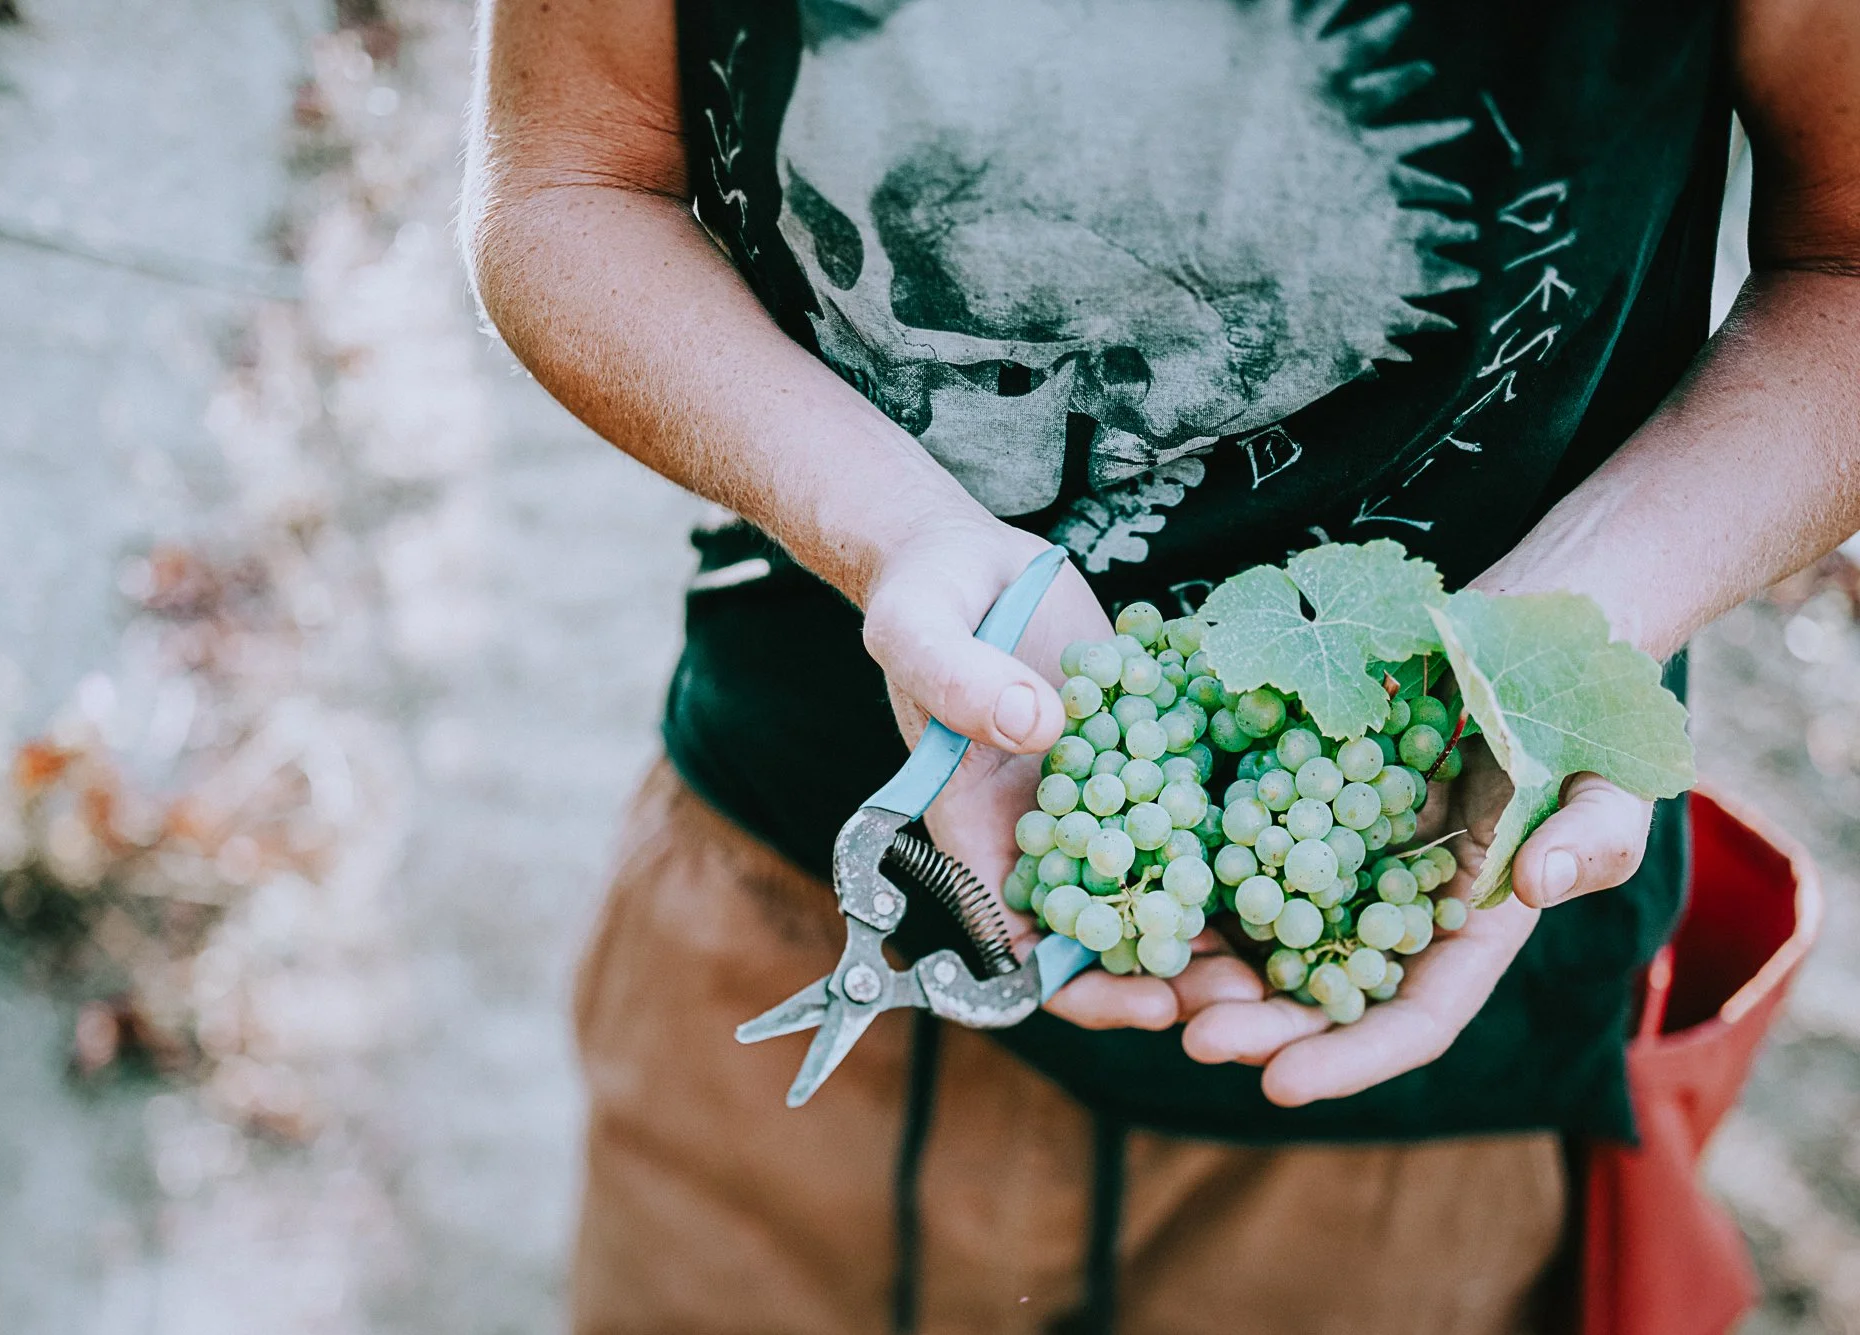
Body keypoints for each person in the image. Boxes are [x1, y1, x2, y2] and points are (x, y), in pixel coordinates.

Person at [465, 0, 1860, 1329]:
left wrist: (1566, 641)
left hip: (1422, 1056)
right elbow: (574, 180)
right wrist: (889, 530)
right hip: (791, 876)